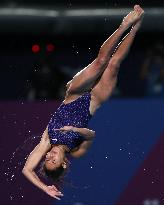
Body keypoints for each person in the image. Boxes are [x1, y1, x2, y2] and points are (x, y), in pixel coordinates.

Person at [22, 5, 144, 200]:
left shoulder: (47, 141)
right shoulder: (75, 151)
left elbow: (27, 170)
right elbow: (91, 135)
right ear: (63, 163)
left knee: (101, 61)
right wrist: (76, 130)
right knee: (114, 63)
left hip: (75, 93)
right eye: (53, 161)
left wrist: (44, 187)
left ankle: (124, 25)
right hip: (94, 100)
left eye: (46, 160)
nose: (49, 157)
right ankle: (136, 27)